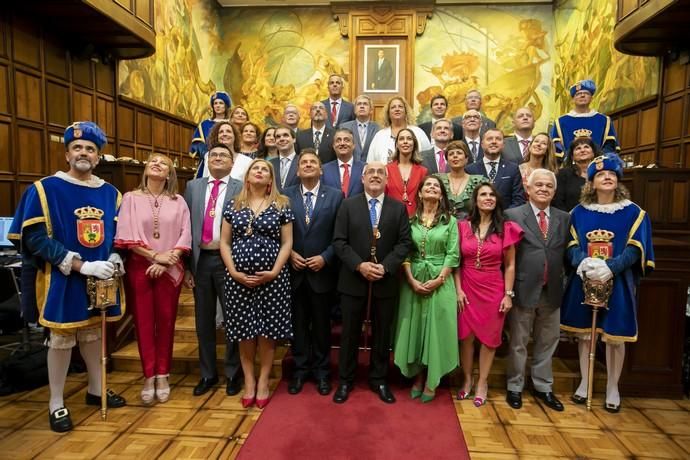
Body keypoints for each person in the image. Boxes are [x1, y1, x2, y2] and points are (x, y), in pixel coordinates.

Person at [10, 121, 127, 432]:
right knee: (61, 340)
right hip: (61, 278)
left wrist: (116, 256)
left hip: (101, 278)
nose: (83, 153)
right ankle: (56, 402)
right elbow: (33, 238)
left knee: (93, 334)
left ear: (98, 157)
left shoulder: (110, 193)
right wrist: (79, 265)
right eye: (77, 148)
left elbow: (119, 235)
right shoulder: (44, 189)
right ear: (66, 154)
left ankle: (95, 389)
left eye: (90, 149)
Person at [560, 154, 654, 413]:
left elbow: (636, 248)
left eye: (612, 174)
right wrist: (585, 264)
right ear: (591, 182)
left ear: (619, 180)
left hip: (617, 280)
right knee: (585, 336)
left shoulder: (634, 212)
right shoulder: (578, 213)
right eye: (601, 174)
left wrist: (610, 267)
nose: (607, 177)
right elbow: (571, 244)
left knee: (615, 338)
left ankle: (613, 386)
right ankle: (585, 382)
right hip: (586, 278)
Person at [115, 153, 191, 404]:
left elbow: (185, 234)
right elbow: (126, 234)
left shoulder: (178, 200)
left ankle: (163, 374)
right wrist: (155, 256)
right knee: (145, 324)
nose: (157, 165)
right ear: (146, 170)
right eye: (153, 162)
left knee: (167, 322)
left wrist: (169, 257)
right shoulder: (130, 199)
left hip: (170, 268)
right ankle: (149, 375)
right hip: (141, 267)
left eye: (164, 164)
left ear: (170, 174)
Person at [332, 161, 411, 404]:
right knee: (349, 334)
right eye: (371, 173)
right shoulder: (347, 205)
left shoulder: (398, 209)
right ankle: (345, 380)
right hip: (353, 279)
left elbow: (404, 243)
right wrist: (360, 265)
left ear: (387, 180)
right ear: (363, 178)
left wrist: (385, 267)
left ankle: (379, 380)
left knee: (382, 333)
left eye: (380, 173)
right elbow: (339, 242)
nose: (375, 176)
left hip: (384, 280)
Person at [220, 159, 294, 409]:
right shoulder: (234, 204)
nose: (260, 171)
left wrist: (274, 271)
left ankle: (263, 381)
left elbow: (287, 243)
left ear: (270, 179)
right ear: (248, 177)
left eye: (265, 169)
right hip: (238, 281)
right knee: (244, 333)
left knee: (267, 333)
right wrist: (233, 271)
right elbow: (224, 242)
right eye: (255, 169)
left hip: (273, 280)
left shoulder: (282, 204)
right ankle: (249, 382)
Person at [504, 169, 570, 412]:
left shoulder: (564, 218)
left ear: (554, 191)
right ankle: (515, 386)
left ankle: (543, 386)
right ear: (528, 189)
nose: (543, 189)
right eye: (538, 185)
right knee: (519, 341)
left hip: (552, 289)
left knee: (548, 340)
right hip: (523, 288)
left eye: (548, 186)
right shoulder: (512, 214)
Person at [183, 142, 244, 398]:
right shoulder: (193, 187)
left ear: (232, 163)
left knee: (233, 320)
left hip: (228, 260)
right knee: (203, 322)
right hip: (201, 261)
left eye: (224, 155)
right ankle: (208, 373)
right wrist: (187, 267)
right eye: (214, 155)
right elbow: (185, 226)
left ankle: (233, 373)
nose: (218, 158)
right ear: (207, 161)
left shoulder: (241, 187)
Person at [455, 183, 523, 407]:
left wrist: (508, 294)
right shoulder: (462, 227)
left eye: (492, 194)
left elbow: (511, 265)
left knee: (489, 339)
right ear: (475, 200)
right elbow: (456, 263)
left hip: (494, 287)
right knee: (466, 337)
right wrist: (458, 289)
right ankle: (467, 380)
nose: (488, 198)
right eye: (483, 194)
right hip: (466, 286)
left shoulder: (506, 227)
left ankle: (483, 382)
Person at [394, 175, 459, 402]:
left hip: (441, 281)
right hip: (413, 281)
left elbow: (453, 254)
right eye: (427, 185)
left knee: (436, 331)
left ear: (441, 194)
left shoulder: (450, 222)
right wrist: (411, 280)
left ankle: (433, 379)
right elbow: (406, 252)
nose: (432, 188)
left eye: (436, 186)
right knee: (417, 329)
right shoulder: (410, 221)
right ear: (419, 194)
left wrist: (439, 279)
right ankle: (418, 377)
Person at [285, 150, 343, 396]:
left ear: (321, 170)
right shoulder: (285, 196)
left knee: (321, 327)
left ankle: (321, 373)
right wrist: (289, 255)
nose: (308, 165)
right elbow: (277, 232)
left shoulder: (336, 196)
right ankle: (299, 371)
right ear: (297, 171)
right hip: (294, 271)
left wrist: (326, 257)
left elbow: (340, 235)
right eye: (303, 163)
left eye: (313, 163)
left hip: (322, 272)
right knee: (298, 326)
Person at [550, 79, 619, 162]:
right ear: (573, 99)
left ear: (591, 98)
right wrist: (567, 159)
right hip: (569, 167)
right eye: (578, 94)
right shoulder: (561, 122)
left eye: (586, 93)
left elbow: (610, 145)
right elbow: (556, 146)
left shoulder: (604, 120)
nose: (582, 95)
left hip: (597, 167)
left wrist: (599, 160)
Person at [465, 128, 526, 208]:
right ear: (482, 144)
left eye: (498, 139)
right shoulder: (470, 170)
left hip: (506, 218)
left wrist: (505, 216)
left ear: (503, 144)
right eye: (489, 139)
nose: (494, 142)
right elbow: (469, 201)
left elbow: (519, 200)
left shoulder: (513, 169)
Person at [367, 96, 432, 163]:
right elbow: (370, 161)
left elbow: (429, 158)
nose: (397, 109)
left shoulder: (418, 132)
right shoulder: (379, 136)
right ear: (388, 113)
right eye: (393, 107)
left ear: (406, 111)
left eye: (400, 106)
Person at [436, 141, 485, 220]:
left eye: (459, 153)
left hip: (471, 227)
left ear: (466, 159)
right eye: (451, 154)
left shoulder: (479, 181)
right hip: (442, 227)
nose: (455, 156)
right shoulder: (437, 180)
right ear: (447, 160)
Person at [385, 128, 428, 217]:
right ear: (396, 144)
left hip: (415, 221)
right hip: (391, 219)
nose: (405, 142)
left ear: (414, 144)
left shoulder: (423, 171)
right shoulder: (386, 169)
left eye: (409, 139)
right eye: (401, 139)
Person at [191, 91, 232, 178]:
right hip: (208, 160)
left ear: (226, 106)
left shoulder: (232, 124)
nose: (217, 105)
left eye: (221, 103)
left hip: (230, 159)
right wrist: (206, 153)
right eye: (215, 103)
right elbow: (197, 143)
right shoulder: (204, 124)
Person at [553, 137, 598, 212]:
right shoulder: (562, 174)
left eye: (586, 147)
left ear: (593, 153)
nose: (582, 150)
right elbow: (558, 202)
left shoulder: (601, 173)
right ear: (572, 156)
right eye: (578, 148)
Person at [322, 128, 365, 198]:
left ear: (354, 145)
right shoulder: (324, 170)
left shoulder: (364, 168)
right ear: (333, 146)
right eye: (338, 140)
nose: (342, 143)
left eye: (346, 140)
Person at [339, 95, 380, 162]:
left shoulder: (378, 128)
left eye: (365, 104)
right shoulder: (344, 127)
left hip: (371, 168)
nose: (362, 106)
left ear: (371, 110)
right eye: (359, 104)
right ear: (354, 110)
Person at [269, 125, 300, 192]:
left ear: (294, 139)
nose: (282, 139)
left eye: (285, 135)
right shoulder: (269, 164)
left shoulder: (302, 161)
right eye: (278, 137)